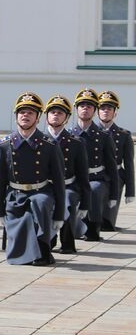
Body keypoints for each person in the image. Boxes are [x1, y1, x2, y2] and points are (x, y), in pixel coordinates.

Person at [0, 92, 65, 266]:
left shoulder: (49, 145)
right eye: (22, 112)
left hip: (41, 192)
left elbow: (58, 180)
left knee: (40, 203)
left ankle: (42, 253)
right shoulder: (4, 145)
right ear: (16, 116)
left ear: (38, 117)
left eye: (30, 112)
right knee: (22, 219)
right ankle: (25, 253)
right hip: (15, 195)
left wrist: (59, 214)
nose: (25, 115)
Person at [69, 88, 119, 242]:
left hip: (96, 178)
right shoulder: (69, 135)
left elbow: (112, 167)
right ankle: (68, 230)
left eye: (89, 106)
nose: (85, 109)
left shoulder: (103, 136)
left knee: (94, 189)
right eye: (82, 105)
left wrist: (114, 194)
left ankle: (93, 228)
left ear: (95, 111)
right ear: (76, 109)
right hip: (74, 179)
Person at [44, 94, 91, 254]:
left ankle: (67, 242)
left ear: (67, 117)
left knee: (68, 199)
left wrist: (85, 203)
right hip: (45, 186)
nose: (56, 115)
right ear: (46, 115)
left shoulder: (76, 142)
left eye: (60, 112)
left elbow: (83, 175)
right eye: (52, 112)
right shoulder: (39, 140)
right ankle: (47, 241)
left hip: (68, 186)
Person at [97, 90, 135, 231]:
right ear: (97, 111)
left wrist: (130, 191)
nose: (106, 111)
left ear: (115, 112)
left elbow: (129, 163)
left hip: (116, 176)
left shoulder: (123, 135)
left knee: (108, 220)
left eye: (109, 108)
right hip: (96, 174)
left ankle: (107, 222)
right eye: (103, 108)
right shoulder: (91, 133)